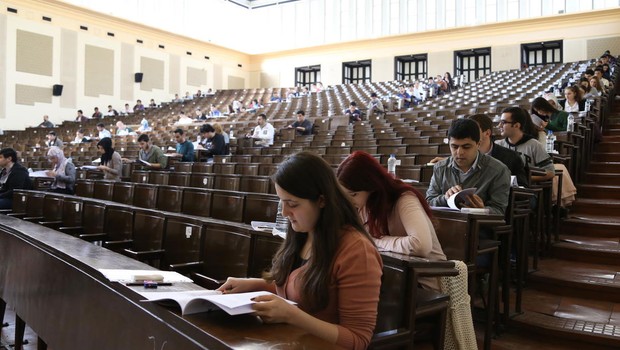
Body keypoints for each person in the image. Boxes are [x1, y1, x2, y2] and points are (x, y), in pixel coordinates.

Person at [217, 152, 382, 349]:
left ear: (322, 200)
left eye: (292, 204)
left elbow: (358, 339)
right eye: (282, 202)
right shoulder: (304, 232)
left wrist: (292, 315)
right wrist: (252, 284)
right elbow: (299, 290)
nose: (285, 213)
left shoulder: (357, 250)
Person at [337, 151, 446, 290]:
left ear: (371, 186)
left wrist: (375, 241)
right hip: (394, 275)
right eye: (345, 195)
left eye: (353, 194)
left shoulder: (404, 199)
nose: (349, 201)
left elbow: (421, 246)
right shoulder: (364, 204)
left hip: (423, 280)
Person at [426, 118, 511, 216]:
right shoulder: (440, 168)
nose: (459, 152)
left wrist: (482, 210)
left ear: (478, 144)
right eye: (454, 147)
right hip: (446, 224)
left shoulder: (498, 170)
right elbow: (428, 202)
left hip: (478, 228)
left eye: (466, 147)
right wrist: (445, 198)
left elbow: (500, 211)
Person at [495, 107, 555, 182]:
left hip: (525, 190)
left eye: (503, 123)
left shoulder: (534, 145)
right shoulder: (498, 145)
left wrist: (524, 179)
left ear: (517, 125)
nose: (499, 126)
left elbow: (550, 172)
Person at [468, 114, 529, 187]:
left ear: (487, 133)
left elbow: (522, 188)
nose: (468, 135)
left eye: (473, 131)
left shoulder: (511, 157)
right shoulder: (463, 156)